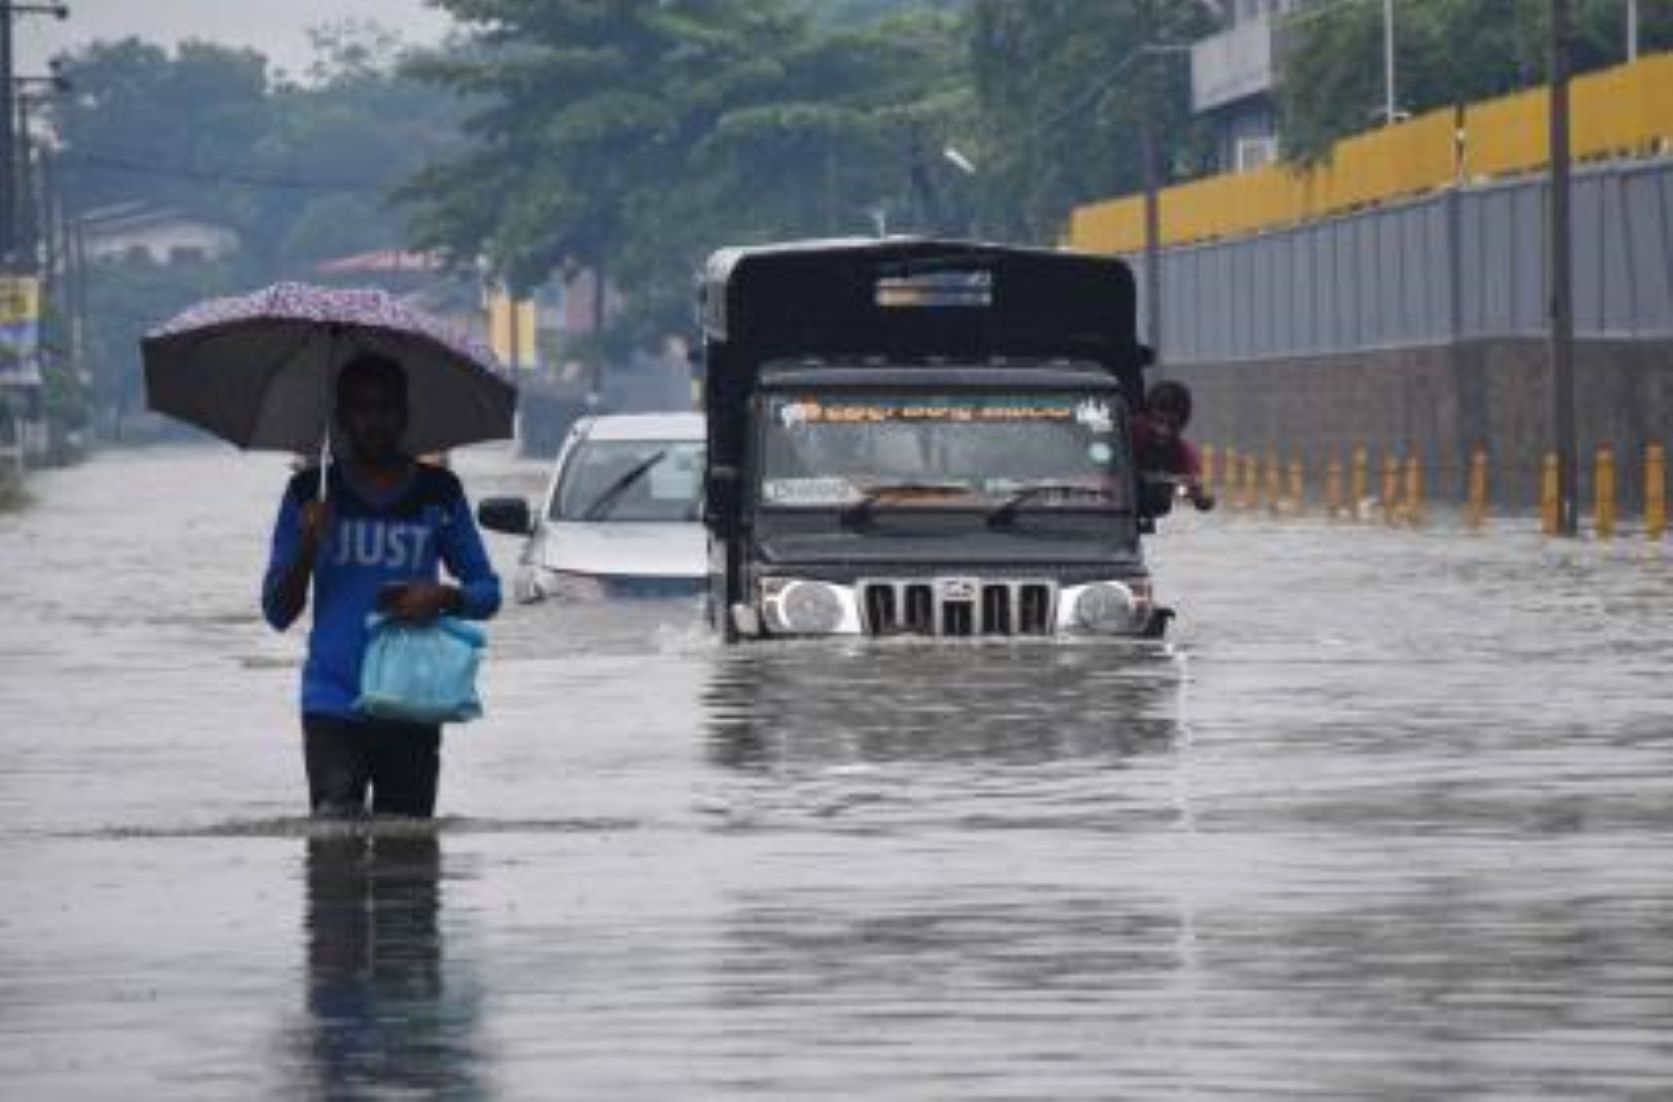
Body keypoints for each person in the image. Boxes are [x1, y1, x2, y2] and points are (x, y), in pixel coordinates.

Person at [262, 352, 501, 819]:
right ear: (342, 419)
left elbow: (487, 592)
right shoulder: (310, 494)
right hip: (332, 700)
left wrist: (444, 597)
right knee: (333, 853)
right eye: (362, 409)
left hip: (412, 700)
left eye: (386, 408)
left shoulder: (439, 492)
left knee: (410, 863)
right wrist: (308, 546)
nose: (376, 422)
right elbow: (277, 611)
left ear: (405, 415)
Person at [1132, 380, 1215, 511]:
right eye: (1158, 421)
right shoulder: (1127, 433)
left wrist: (1199, 496)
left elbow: (1195, 484)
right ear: (1145, 417)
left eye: (1172, 424)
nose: (1163, 431)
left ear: (1183, 424)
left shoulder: (1183, 451)